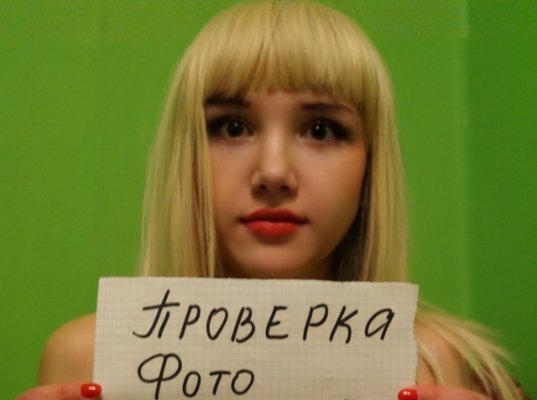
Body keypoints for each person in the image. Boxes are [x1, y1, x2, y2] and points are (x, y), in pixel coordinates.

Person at [18, 1, 526, 399]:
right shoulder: (87, 360)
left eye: (321, 129)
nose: (274, 173)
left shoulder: (439, 368)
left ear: (371, 168)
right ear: (185, 157)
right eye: (231, 127)